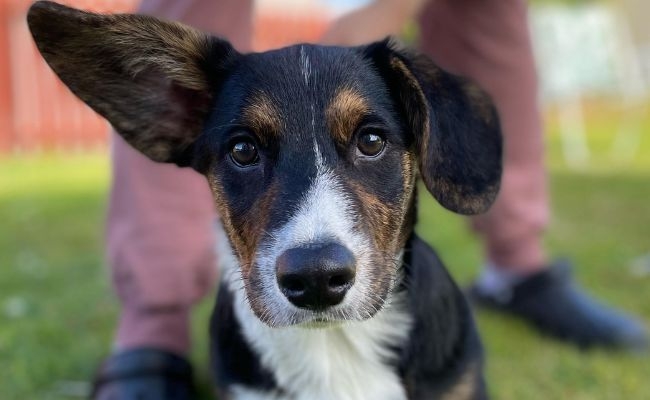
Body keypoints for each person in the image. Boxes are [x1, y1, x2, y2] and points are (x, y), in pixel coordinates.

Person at [93, 0, 647, 398]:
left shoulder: (449, 364)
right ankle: (153, 318)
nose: (311, 239)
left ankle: (517, 266)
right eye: (243, 150)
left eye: (372, 140)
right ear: (181, 116)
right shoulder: (238, 367)